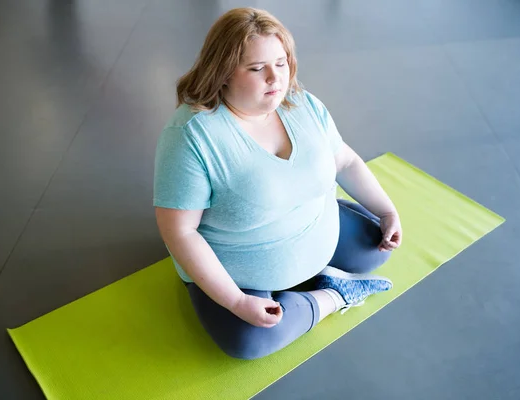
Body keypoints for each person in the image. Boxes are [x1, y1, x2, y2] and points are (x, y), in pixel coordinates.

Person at [154, 7, 402, 360]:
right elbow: (180, 232)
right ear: (222, 72)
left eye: (281, 63)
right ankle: (333, 295)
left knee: (376, 247)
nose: (275, 78)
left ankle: (322, 274)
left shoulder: (301, 103)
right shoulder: (190, 137)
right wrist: (237, 301)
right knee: (249, 342)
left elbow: (344, 160)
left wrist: (387, 210)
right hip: (240, 269)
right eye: (257, 69)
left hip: (316, 228)